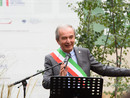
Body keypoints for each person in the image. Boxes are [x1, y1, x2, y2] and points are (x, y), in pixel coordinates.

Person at [42, 24, 130, 89]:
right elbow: (45, 83)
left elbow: (103, 70)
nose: (68, 41)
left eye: (71, 37)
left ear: (74, 38)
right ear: (57, 40)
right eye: (64, 38)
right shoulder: (51, 58)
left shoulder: (84, 53)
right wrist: (60, 78)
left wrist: (128, 72)